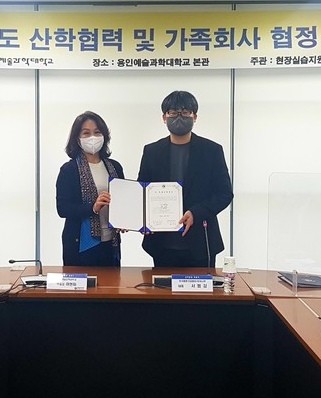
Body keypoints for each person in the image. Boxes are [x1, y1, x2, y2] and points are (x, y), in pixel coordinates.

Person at [138, 90, 233, 268]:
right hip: (161, 242)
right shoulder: (151, 151)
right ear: (164, 117)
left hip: (201, 241)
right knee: (162, 286)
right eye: (173, 113)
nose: (179, 117)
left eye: (185, 112)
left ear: (194, 116)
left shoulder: (212, 150)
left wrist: (196, 212)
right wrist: (142, 220)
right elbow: (141, 191)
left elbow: (225, 193)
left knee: (201, 286)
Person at [56, 111, 124, 266]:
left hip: (111, 243)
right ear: (77, 138)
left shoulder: (115, 167)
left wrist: (125, 220)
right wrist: (93, 208)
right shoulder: (69, 170)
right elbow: (63, 209)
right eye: (86, 133)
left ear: (104, 136)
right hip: (81, 245)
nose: (92, 137)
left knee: (112, 281)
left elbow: (123, 201)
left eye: (97, 132)